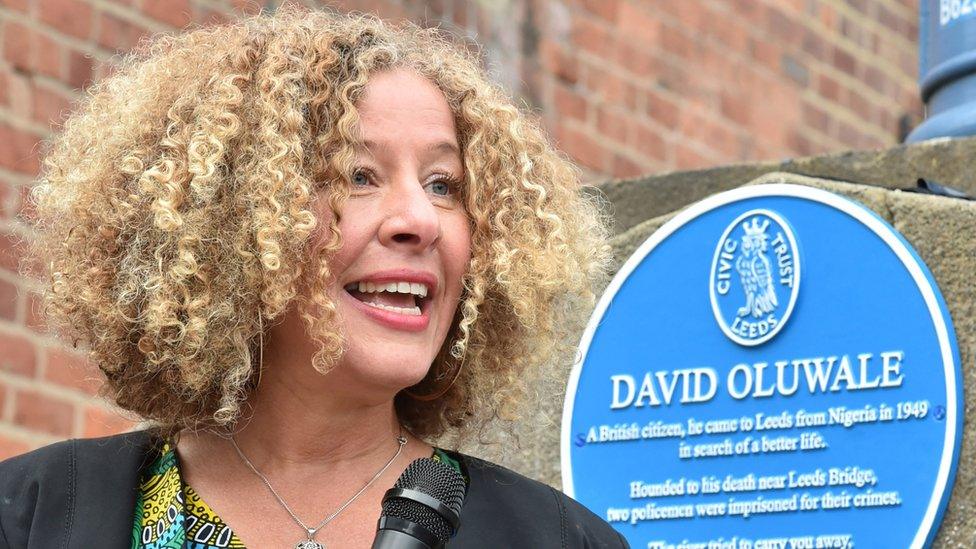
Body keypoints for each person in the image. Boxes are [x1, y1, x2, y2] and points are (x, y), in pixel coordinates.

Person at [0, 6, 624, 548]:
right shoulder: (32, 517)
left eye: (444, 185)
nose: (419, 219)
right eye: (358, 175)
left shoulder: (562, 540)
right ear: (233, 218)